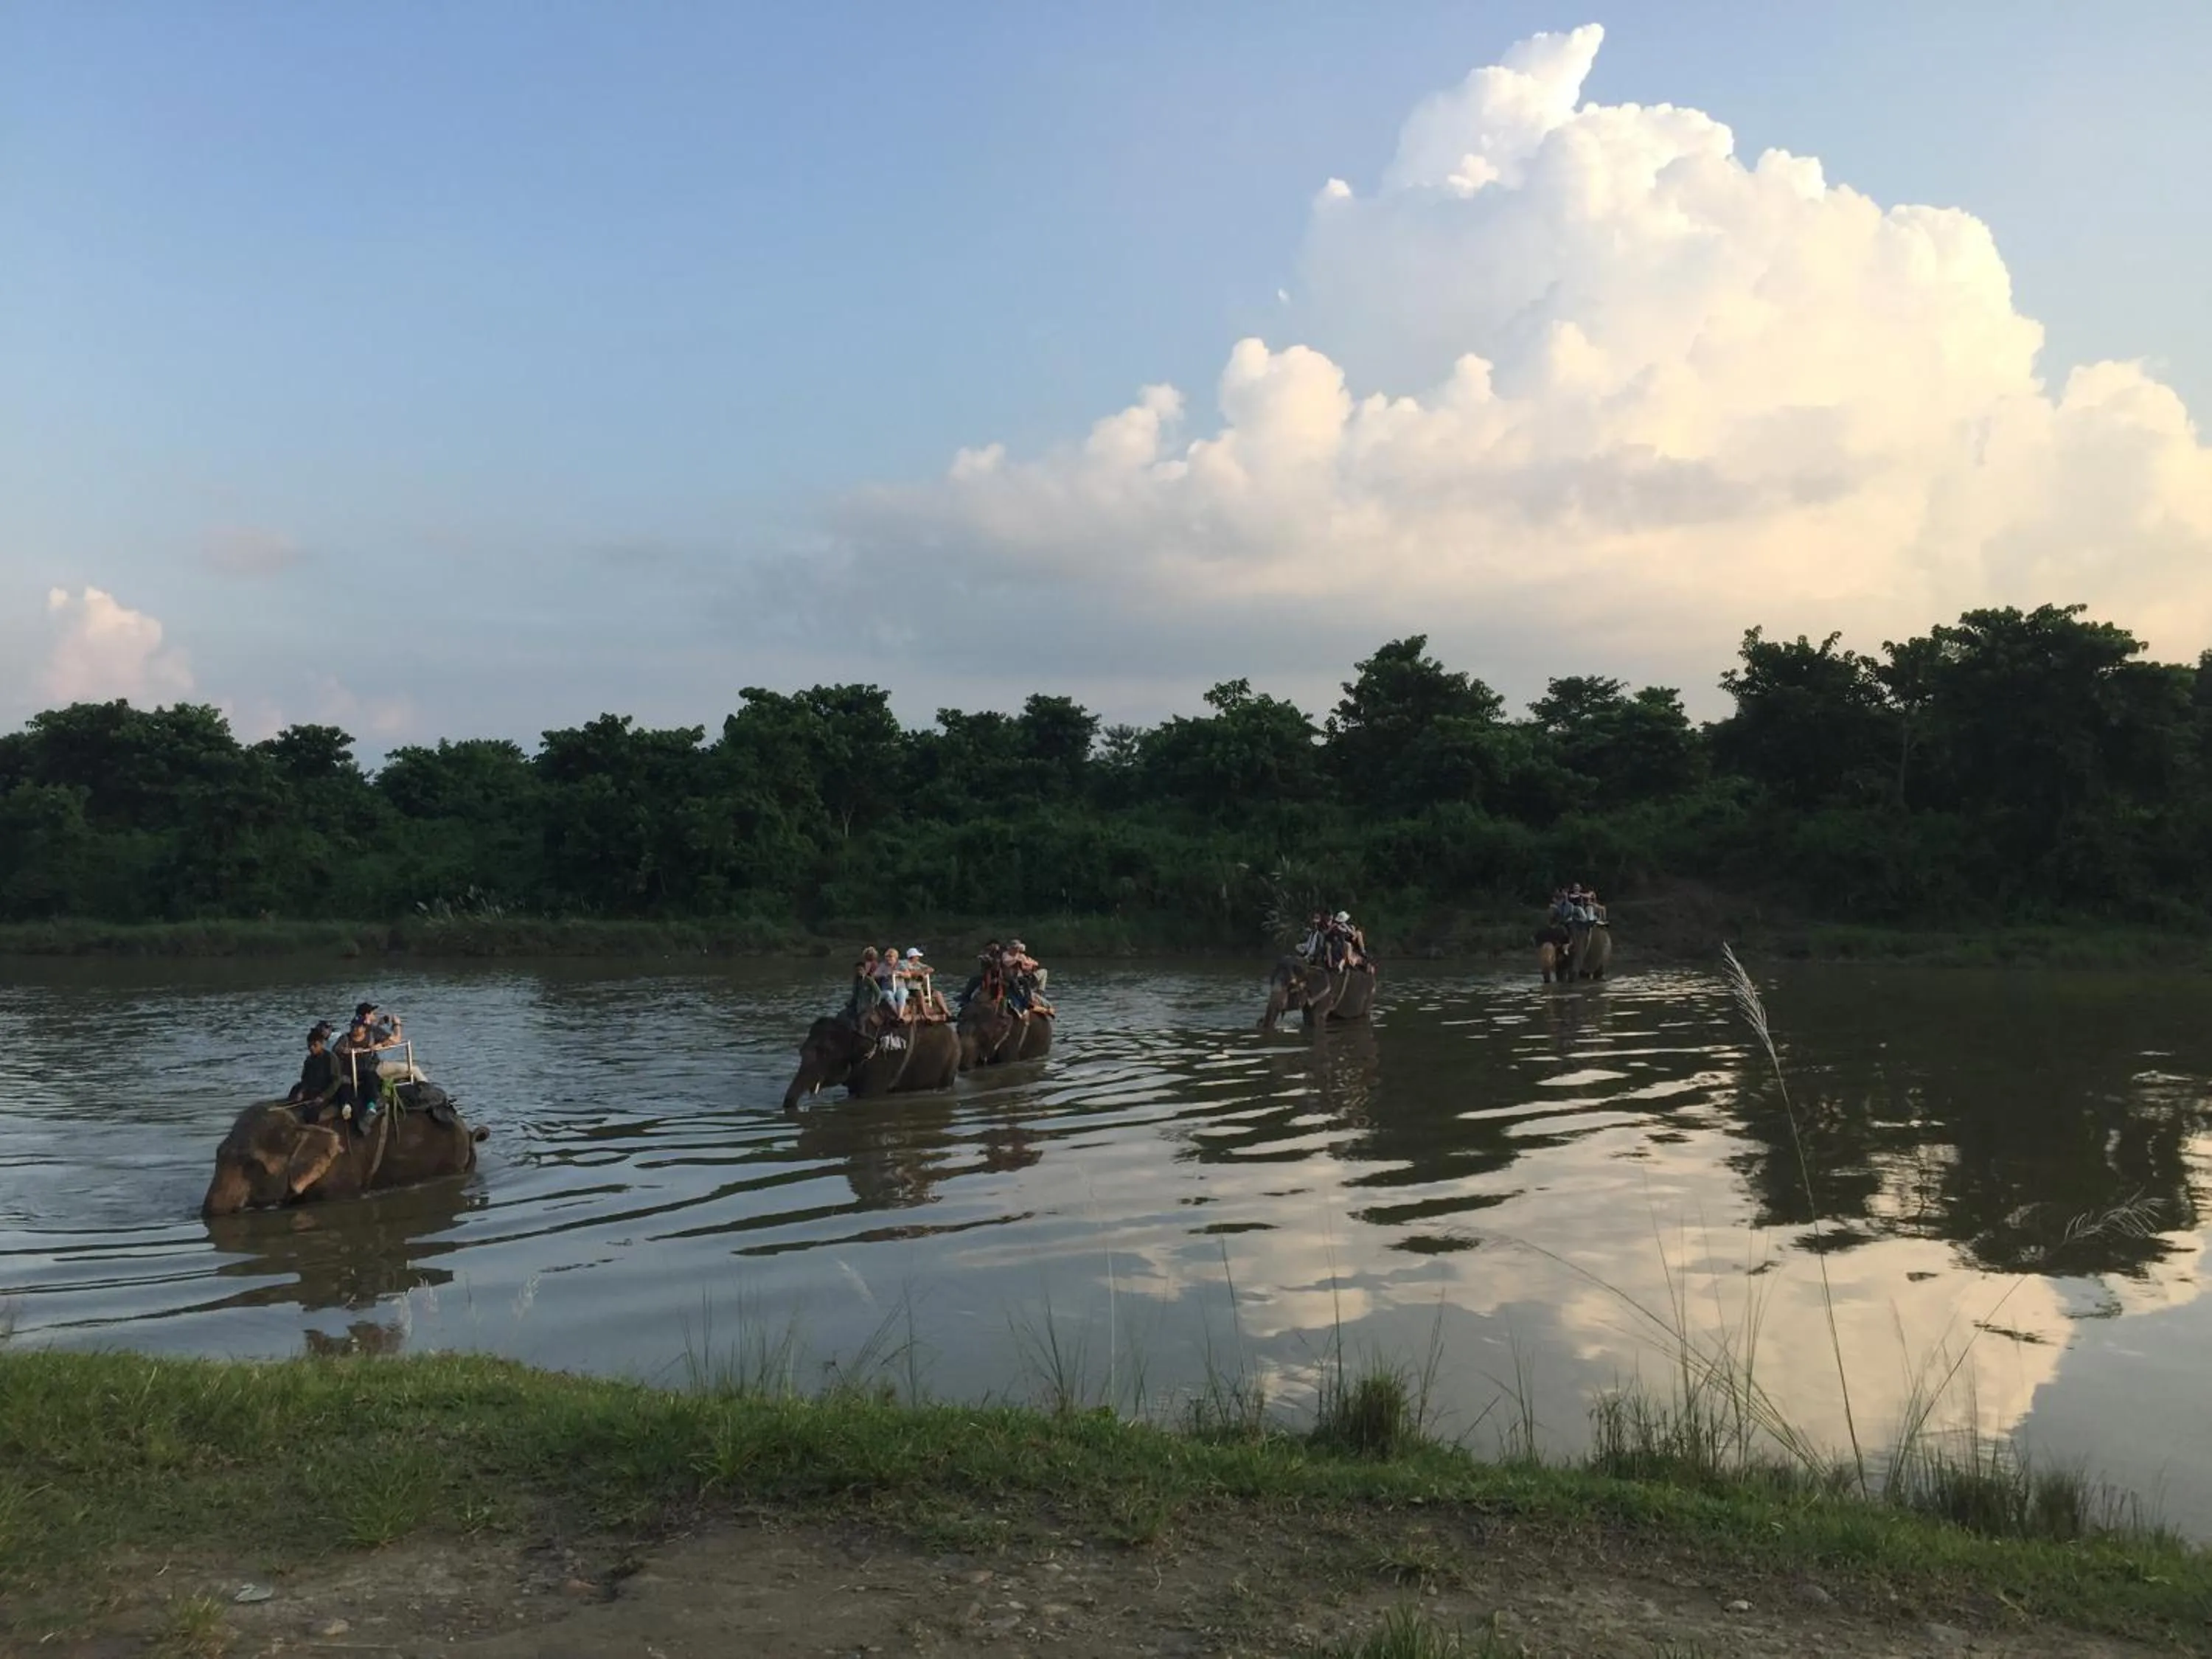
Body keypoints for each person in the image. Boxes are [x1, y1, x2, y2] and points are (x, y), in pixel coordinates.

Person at [286, 1026, 341, 1121]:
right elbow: (305, 1080)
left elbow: (336, 1081)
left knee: (311, 1114)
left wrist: (323, 1096)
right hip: (312, 1091)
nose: (312, 1048)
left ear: (322, 1044)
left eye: (315, 1045)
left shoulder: (331, 1058)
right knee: (295, 1091)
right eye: (309, 1046)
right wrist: (302, 1091)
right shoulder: (309, 1060)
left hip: (326, 1093)